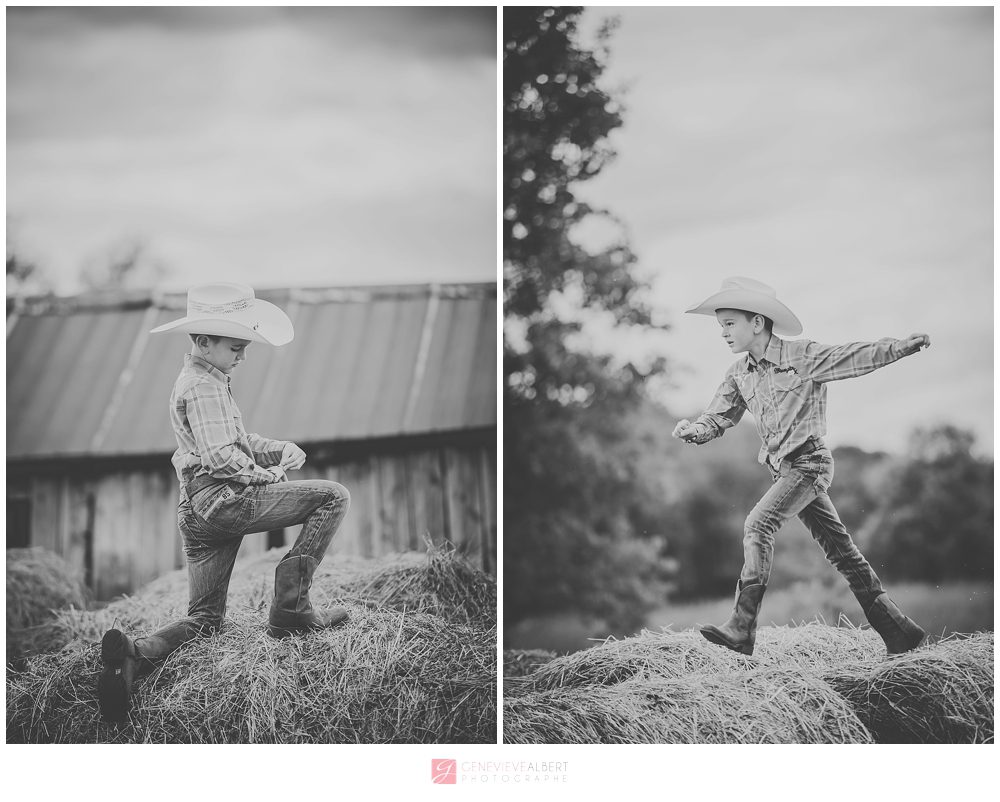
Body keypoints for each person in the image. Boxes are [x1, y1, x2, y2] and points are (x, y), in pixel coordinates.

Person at [98, 282, 352, 723]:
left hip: (197, 512)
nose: (243, 355)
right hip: (223, 501)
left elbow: (233, 441)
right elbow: (220, 457)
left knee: (205, 620)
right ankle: (291, 609)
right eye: (236, 346)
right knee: (332, 497)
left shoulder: (203, 382)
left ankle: (134, 655)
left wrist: (276, 449)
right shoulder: (204, 388)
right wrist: (267, 474)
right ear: (203, 341)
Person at [673, 277, 928, 658]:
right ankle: (900, 631)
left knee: (758, 525)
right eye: (720, 326)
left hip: (810, 464)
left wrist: (898, 348)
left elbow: (851, 357)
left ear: (756, 322)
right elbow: (718, 416)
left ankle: (742, 627)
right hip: (785, 472)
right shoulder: (739, 374)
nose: (723, 333)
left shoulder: (801, 356)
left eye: (729, 323)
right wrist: (694, 430)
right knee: (842, 552)